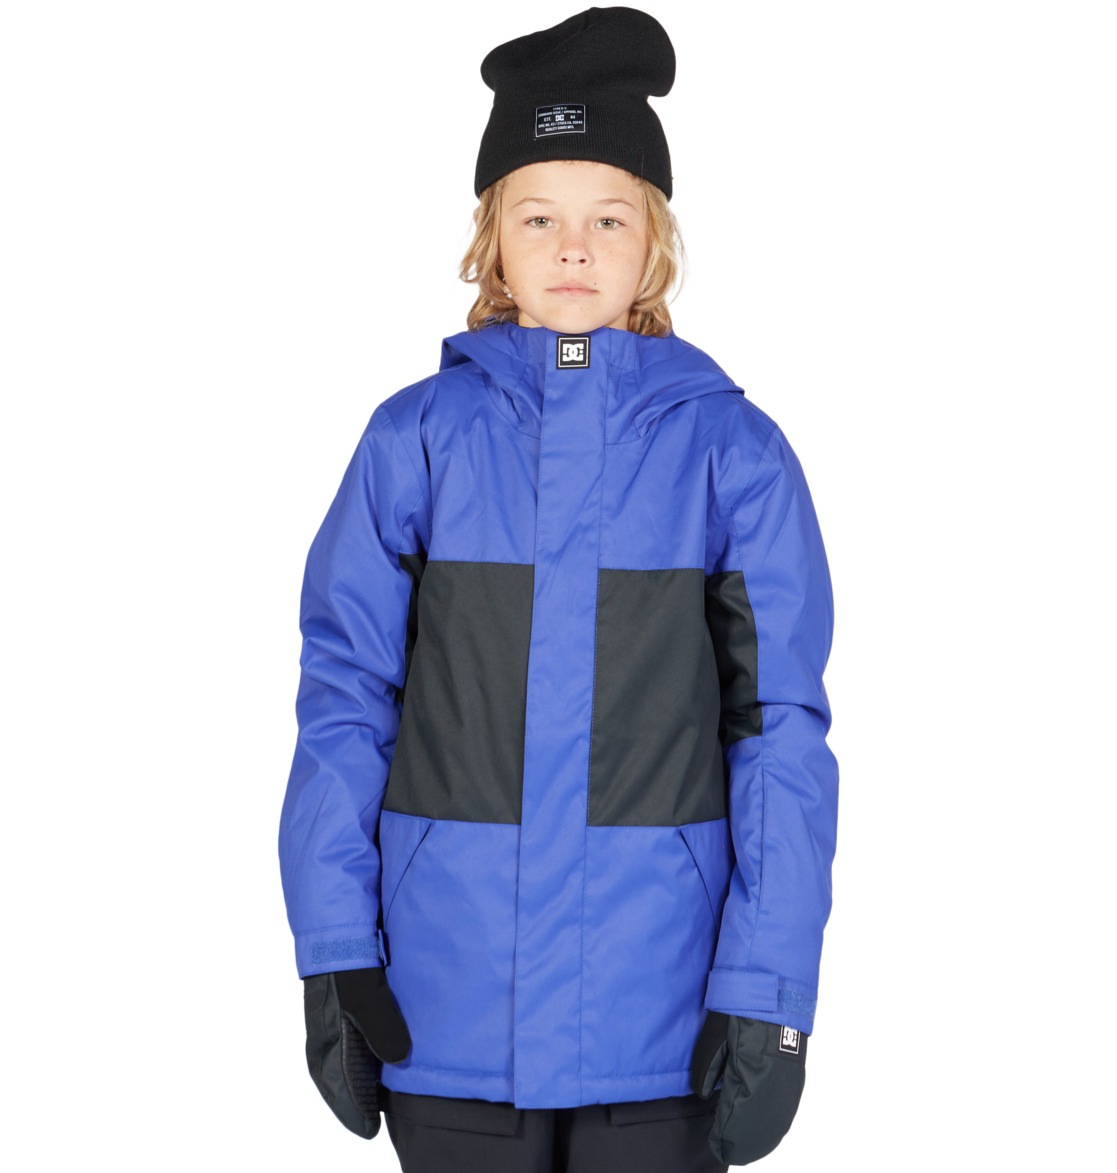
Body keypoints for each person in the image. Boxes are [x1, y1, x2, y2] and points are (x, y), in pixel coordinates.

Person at [279, 8, 839, 1171]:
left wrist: (768, 988)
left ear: (654, 244)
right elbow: (344, 699)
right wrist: (333, 944)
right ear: (493, 240)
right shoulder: (415, 443)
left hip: (664, 1017)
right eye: (538, 216)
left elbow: (779, 732)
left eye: (608, 217)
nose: (573, 248)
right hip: (448, 1006)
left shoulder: (732, 456)